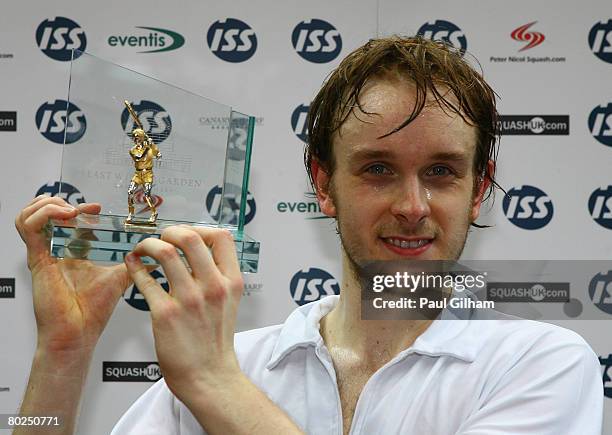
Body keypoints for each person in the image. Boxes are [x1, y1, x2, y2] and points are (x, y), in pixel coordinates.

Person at [14, 36, 602, 435]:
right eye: (378, 169)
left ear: (478, 190)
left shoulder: (539, 364)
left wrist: (215, 386)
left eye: (442, 172)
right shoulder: (237, 361)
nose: (413, 206)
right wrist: (62, 354)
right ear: (323, 184)